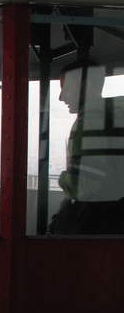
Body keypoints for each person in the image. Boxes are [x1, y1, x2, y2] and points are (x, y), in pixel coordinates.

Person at [49, 59, 124, 235]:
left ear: (87, 86)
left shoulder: (90, 121)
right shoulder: (115, 118)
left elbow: (85, 185)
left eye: (66, 88)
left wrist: (63, 179)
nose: (61, 97)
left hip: (94, 225)